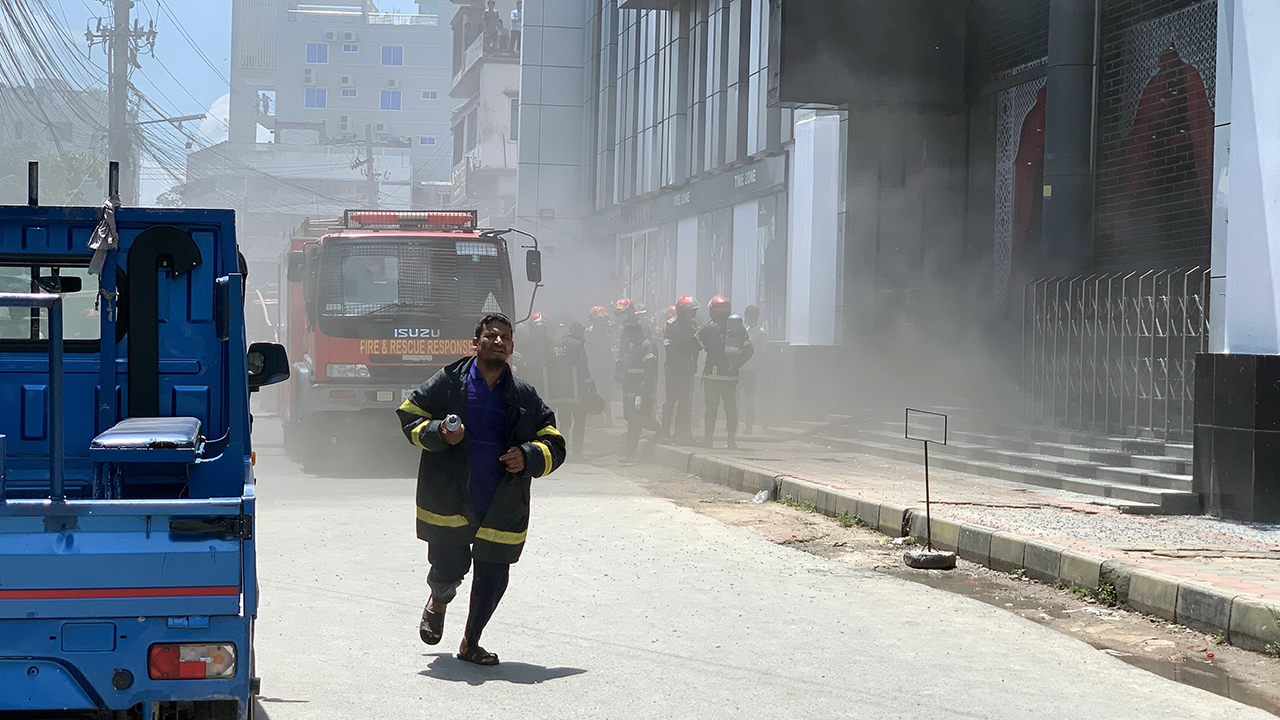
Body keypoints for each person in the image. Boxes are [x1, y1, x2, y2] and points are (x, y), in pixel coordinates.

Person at [397, 313, 566, 666]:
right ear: (475, 344)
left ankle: (470, 642)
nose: (498, 342)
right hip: (450, 497)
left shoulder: (523, 395)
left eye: (505, 337)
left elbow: (554, 442)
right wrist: (439, 432)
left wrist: (529, 455)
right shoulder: (448, 381)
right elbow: (409, 413)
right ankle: (438, 601)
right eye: (491, 336)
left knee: (493, 575)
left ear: (512, 348)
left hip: (500, 501)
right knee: (448, 565)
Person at [697, 296, 753, 449]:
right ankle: (731, 441)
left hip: (712, 376)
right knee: (731, 408)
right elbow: (749, 350)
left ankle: (708, 440)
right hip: (731, 376)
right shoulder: (739, 328)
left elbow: (694, 344)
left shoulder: (711, 328)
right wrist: (736, 364)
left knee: (711, 409)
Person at [544, 322, 594, 460]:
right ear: (578, 332)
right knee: (579, 422)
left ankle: (562, 453)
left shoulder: (556, 345)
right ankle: (577, 454)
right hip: (577, 393)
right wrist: (592, 388)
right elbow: (583, 369)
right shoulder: (578, 345)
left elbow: (547, 365)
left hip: (560, 393)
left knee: (564, 423)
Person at [618, 313, 660, 463]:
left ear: (637, 332)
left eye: (630, 334)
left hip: (641, 393)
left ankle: (661, 432)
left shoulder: (648, 346)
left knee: (640, 419)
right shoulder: (634, 346)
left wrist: (641, 391)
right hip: (631, 392)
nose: (628, 337)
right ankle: (629, 456)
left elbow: (650, 370)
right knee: (632, 423)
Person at [661, 295, 701, 445]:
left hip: (688, 368)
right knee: (671, 399)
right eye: (690, 312)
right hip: (673, 367)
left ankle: (681, 433)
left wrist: (694, 363)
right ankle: (665, 432)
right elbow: (669, 347)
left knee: (685, 402)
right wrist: (684, 363)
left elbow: (695, 346)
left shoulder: (692, 326)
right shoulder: (671, 325)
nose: (692, 315)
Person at [585, 305, 616, 427]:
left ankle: (608, 418)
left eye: (604, 319)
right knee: (595, 392)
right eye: (600, 320)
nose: (603, 322)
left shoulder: (606, 332)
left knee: (607, 393)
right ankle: (595, 419)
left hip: (606, 368)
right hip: (594, 367)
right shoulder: (589, 333)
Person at [741, 305, 770, 435]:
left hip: (753, 370)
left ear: (750, 316)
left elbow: (763, 352)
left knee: (750, 399)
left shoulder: (761, 333)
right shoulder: (745, 330)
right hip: (742, 368)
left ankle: (749, 427)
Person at [518, 311, 554, 394]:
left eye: (541, 327)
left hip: (546, 379)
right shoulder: (524, 342)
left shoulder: (550, 343)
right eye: (537, 327)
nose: (539, 330)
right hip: (527, 377)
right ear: (531, 327)